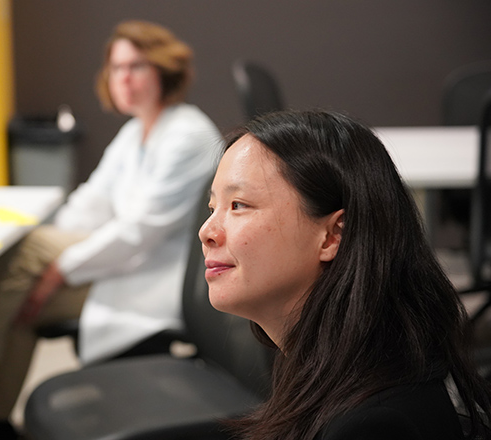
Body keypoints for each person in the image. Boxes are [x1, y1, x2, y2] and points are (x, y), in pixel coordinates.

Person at [0, 20, 221, 440]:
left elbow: (139, 231)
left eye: (137, 67)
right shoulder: (136, 131)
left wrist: (56, 268)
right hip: (125, 262)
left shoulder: (187, 134)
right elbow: (93, 200)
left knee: (27, 276)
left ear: (164, 70)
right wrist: (47, 252)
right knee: (22, 278)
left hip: (157, 279)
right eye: (116, 68)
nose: (123, 78)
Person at [199, 109, 491, 440]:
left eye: (238, 205)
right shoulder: (328, 360)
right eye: (212, 208)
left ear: (334, 235)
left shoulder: (372, 426)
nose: (207, 231)